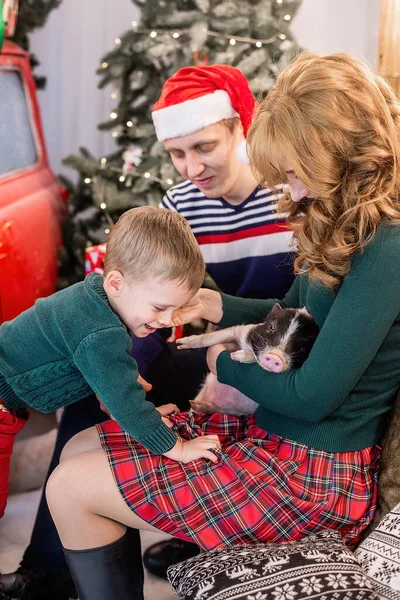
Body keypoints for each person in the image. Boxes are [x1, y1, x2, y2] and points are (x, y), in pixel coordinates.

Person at [43, 51, 400, 600]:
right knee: (79, 446)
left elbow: (312, 398)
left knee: (71, 487)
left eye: (295, 173)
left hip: (316, 478)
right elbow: (286, 318)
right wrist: (215, 307)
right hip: (278, 440)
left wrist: (222, 362)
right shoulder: (345, 226)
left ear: (341, 155)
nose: (294, 192)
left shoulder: (387, 248)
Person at [0, 63, 296, 598]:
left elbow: (298, 313)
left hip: (263, 351)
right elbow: (148, 298)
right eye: (177, 153)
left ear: (238, 127)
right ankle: (51, 565)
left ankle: (195, 526)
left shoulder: (288, 197)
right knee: (104, 384)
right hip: (193, 344)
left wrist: (217, 311)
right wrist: (125, 367)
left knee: (126, 380)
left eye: (203, 146)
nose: (190, 167)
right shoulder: (181, 203)